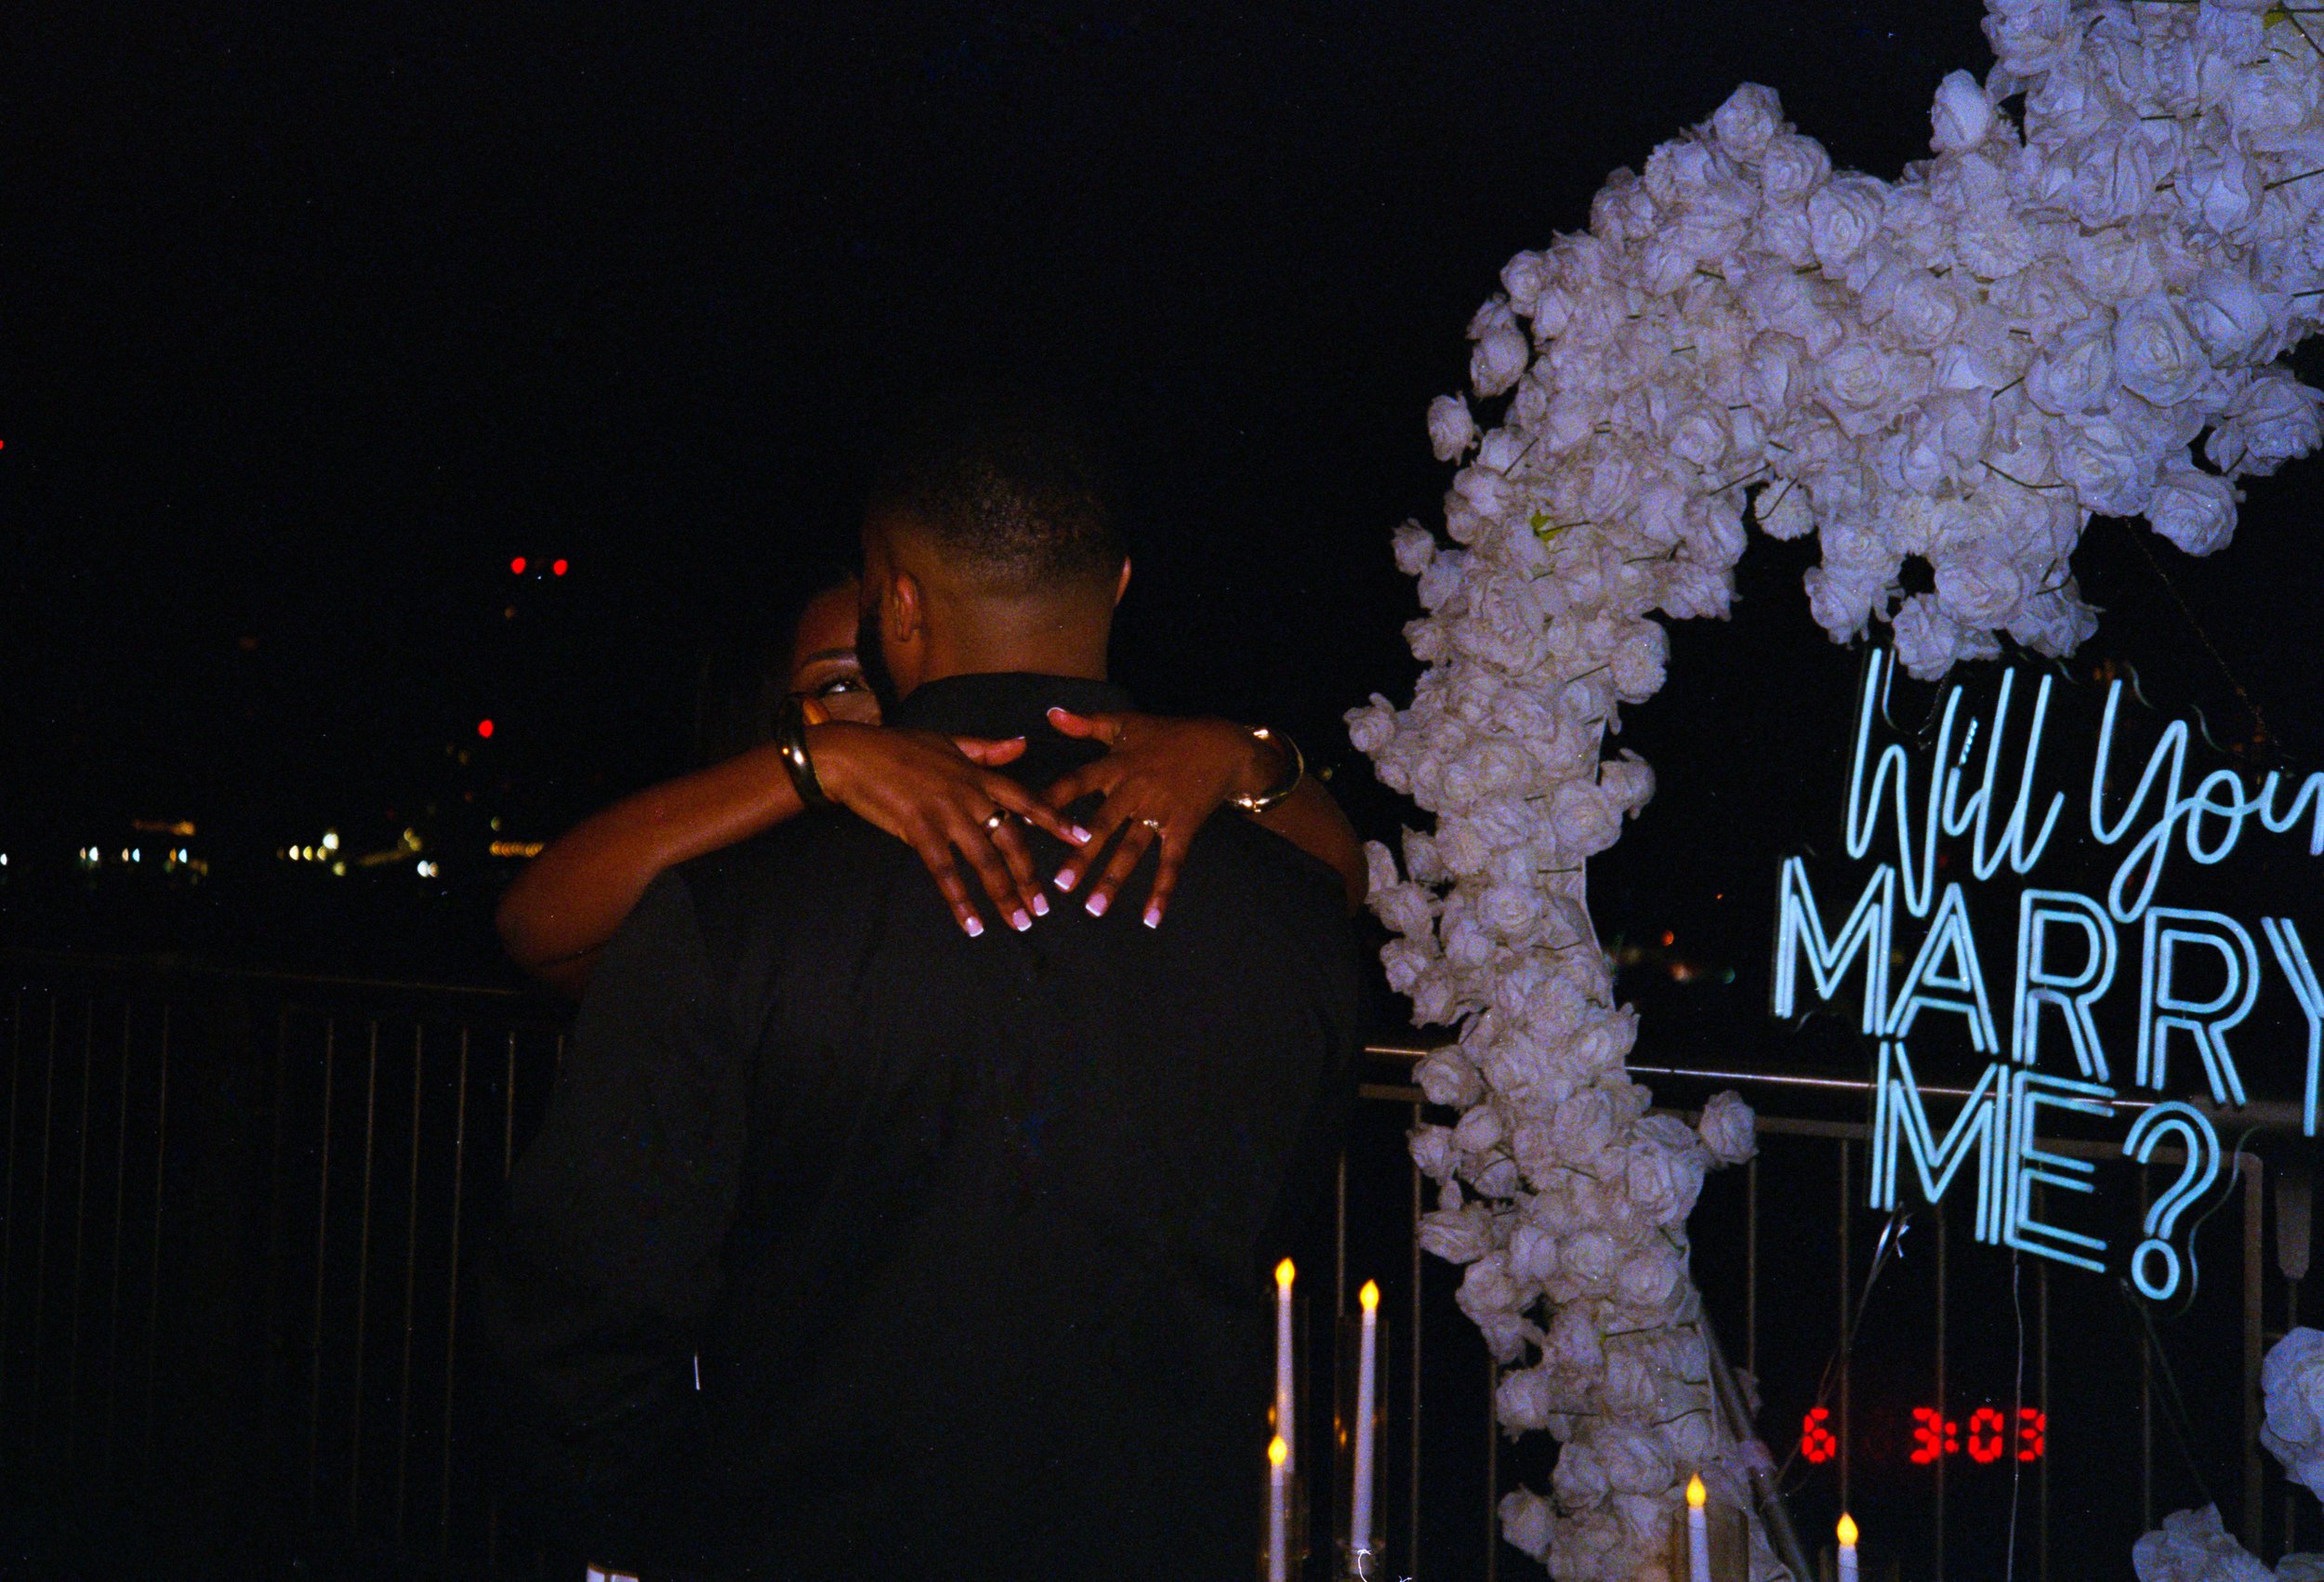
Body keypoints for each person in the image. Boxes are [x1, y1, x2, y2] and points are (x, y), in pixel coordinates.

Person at [476, 397, 1363, 1580]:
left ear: (897, 601)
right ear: (1117, 587)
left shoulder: (732, 910)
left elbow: (581, 1316)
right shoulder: (1289, 912)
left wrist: (647, 1529)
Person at [495, 569, 1367, 997]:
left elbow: (1338, 890)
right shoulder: (738, 904)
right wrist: (823, 764)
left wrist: (1238, 758)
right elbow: (536, 927)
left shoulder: (1047, 838)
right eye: (841, 684)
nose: (882, 717)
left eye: (892, 680)